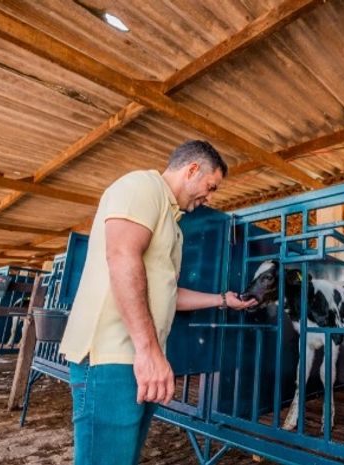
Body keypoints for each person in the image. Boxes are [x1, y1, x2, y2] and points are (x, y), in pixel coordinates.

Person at [59, 140, 257, 465]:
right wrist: (149, 351)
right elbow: (122, 257)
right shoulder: (141, 186)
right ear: (192, 169)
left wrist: (223, 300)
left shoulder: (171, 223)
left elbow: (168, 292)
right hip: (112, 357)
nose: (209, 197)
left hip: (135, 358)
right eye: (210, 187)